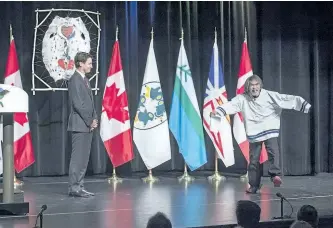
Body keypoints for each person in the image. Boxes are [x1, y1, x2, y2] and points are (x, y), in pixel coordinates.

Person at [212, 74, 311, 194]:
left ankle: (275, 175)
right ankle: (254, 185)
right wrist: (218, 112)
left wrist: (303, 105)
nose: (254, 88)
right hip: (254, 132)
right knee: (254, 160)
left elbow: (285, 99)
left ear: (260, 86)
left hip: (269, 128)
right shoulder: (242, 98)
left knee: (274, 153)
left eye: (256, 85)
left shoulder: (268, 95)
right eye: (251, 85)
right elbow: (230, 105)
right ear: (248, 87)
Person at [67, 52, 98, 197]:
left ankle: (80, 185)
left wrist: (94, 118)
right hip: (79, 125)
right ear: (80, 64)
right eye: (89, 63)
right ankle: (74, 188)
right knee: (77, 158)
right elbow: (78, 104)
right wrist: (89, 120)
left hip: (87, 125)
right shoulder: (74, 80)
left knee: (84, 158)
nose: (91, 66)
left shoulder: (85, 79)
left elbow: (90, 102)